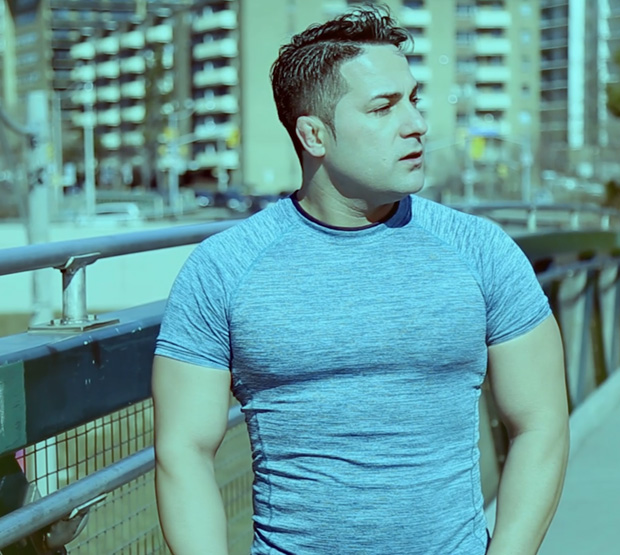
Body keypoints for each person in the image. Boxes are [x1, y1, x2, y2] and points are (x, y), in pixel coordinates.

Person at [152, 5, 569, 555]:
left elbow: (541, 421)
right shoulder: (223, 268)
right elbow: (183, 450)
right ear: (314, 135)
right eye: (383, 107)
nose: (416, 124)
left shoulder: (482, 251)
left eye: (413, 99)